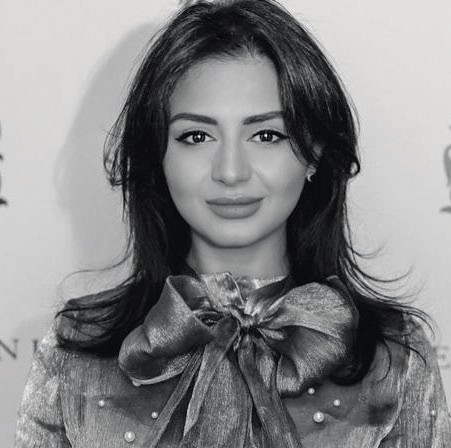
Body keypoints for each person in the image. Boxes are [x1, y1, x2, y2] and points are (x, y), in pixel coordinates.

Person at [14, 0, 451, 446]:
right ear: (158, 154)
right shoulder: (76, 354)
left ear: (315, 153)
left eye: (266, 135)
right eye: (196, 136)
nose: (230, 171)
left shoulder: (392, 359)